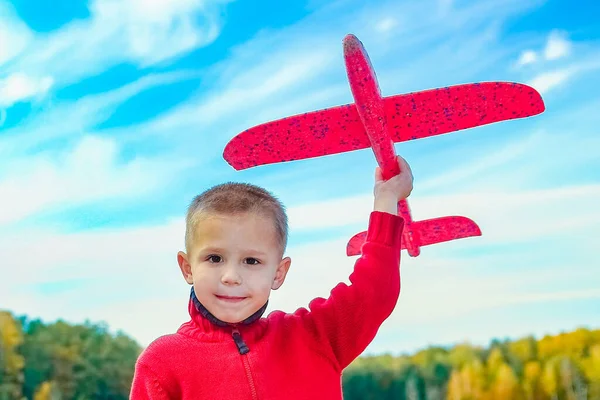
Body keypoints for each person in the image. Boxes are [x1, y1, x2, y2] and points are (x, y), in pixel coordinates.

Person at [130, 155, 413, 399]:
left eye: (251, 261)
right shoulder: (161, 363)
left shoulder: (315, 337)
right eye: (214, 258)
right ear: (187, 267)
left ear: (278, 273)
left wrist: (386, 199)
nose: (231, 276)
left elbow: (374, 290)